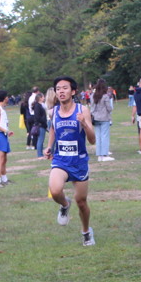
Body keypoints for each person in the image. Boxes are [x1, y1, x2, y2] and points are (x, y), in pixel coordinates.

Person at [45, 76, 96, 247]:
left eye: (65, 88)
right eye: (58, 88)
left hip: (79, 162)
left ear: (73, 91)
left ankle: (86, 231)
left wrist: (85, 124)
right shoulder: (53, 112)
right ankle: (65, 205)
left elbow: (92, 140)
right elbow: (53, 129)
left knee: (81, 202)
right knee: (55, 190)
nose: (61, 91)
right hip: (60, 160)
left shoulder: (83, 110)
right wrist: (49, 146)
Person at [89, 79, 115, 162]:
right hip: (104, 118)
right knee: (104, 136)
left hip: (95, 118)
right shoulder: (105, 96)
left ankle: (99, 155)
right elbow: (109, 108)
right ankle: (104, 154)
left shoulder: (93, 96)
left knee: (98, 136)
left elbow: (92, 107)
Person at [31, 92, 49, 158]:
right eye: (43, 97)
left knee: (41, 139)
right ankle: (39, 154)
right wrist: (43, 122)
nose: (44, 98)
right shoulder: (37, 106)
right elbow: (37, 117)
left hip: (42, 125)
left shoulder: (40, 105)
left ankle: (40, 153)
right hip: (40, 125)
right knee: (40, 140)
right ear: (40, 98)